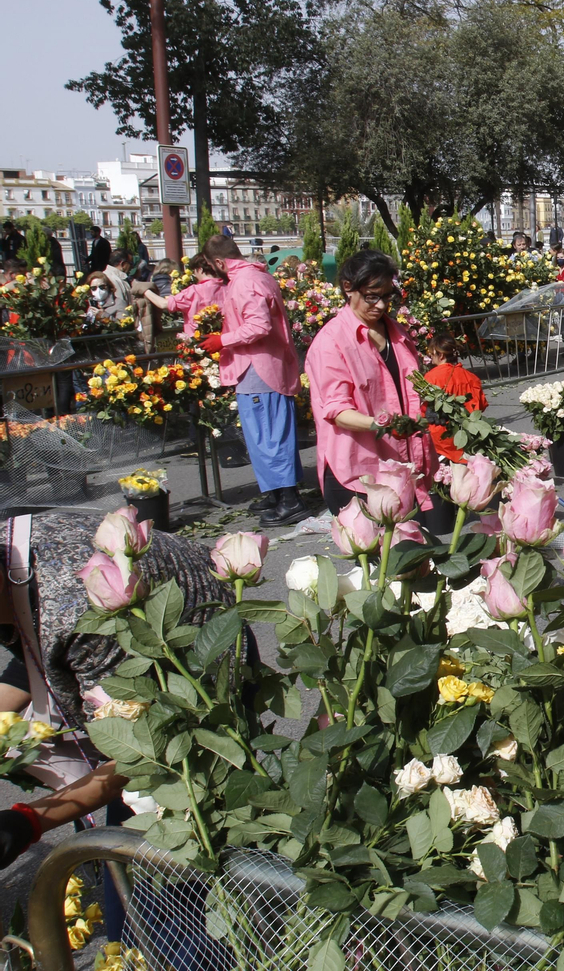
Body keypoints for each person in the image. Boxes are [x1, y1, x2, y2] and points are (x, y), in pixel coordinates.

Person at [0, 510, 230, 883]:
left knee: (160, 871)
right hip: (104, 653)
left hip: (199, 650)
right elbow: (31, 652)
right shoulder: (11, 560)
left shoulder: (75, 609)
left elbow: (138, 750)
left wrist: (27, 821)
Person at [305, 250, 443, 532]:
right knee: (377, 568)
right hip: (358, 472)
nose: (380, 305)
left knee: (411, 560)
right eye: (371, 296)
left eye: (387, 297)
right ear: (348, 288)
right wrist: (383, 425)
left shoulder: (399, 334)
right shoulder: (331, 342)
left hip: (404, 468)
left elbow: (413, 389)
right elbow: (337, 411)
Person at [198, 235, 309, 527]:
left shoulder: (247, 281)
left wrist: (222, 340)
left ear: (219, 262)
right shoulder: (254, 277)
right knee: (265, 437)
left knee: (269, 437)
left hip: (259, 368)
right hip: (258, 367)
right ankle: (277, 494)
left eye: (212, 266)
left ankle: (289, 500)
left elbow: (258, 325)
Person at [423, 330, 486, 464]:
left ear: (440, 354)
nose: (430, 357)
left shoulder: (431, 377)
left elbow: (423, 410)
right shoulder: (472, 378)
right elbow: (481, 406)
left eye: (432, 353)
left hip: (441, 437)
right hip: (469, 434)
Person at [144, 254, 225, 337]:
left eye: (194, 271)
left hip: (198, 342)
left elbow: (163, 304)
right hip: (223, 342)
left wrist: (144, 290)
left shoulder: (194, 291)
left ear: (200, 270)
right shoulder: (227, 288)